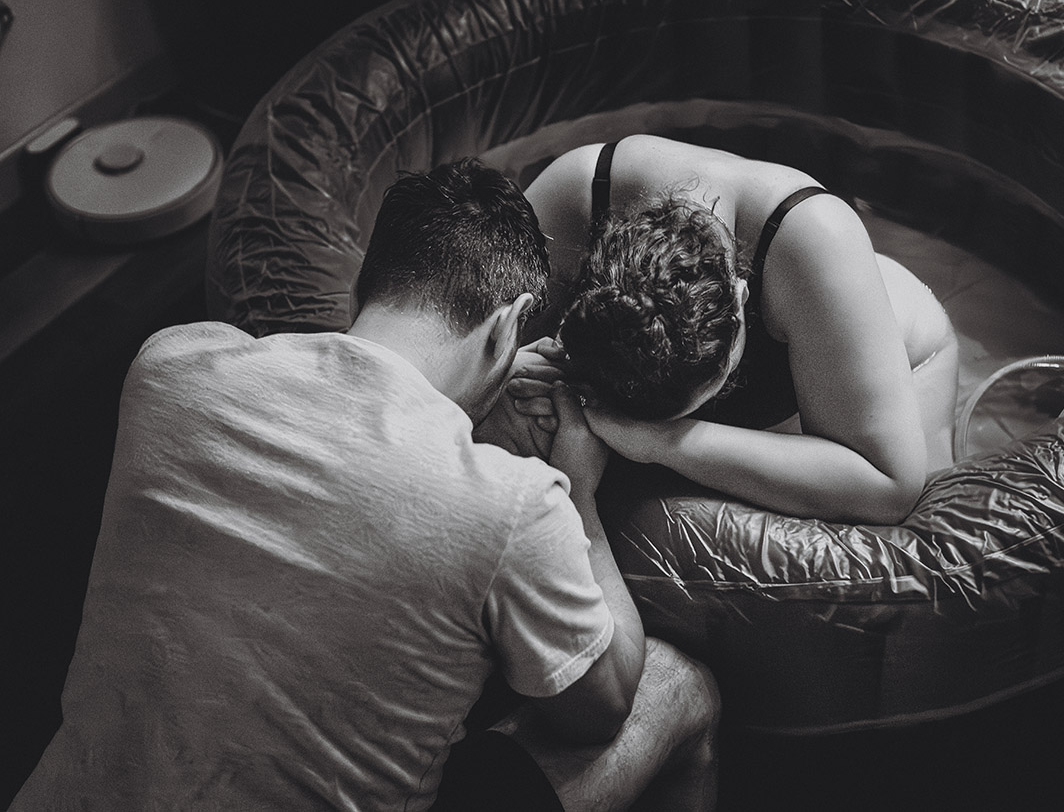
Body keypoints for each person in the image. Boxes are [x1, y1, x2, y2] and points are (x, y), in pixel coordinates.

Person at [9, 159, 719, 811]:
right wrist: (581, 495)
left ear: (363, 282)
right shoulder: (514, 503)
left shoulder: (168, 368)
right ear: (506, 329)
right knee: (681, 686)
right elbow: (603, 704)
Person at [511, 134, 959, 526]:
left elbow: (890, 486)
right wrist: (512, 362)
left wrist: (662, 441)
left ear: (742, 299)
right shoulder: (577, 193)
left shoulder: (820, 238)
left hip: (904, 363)